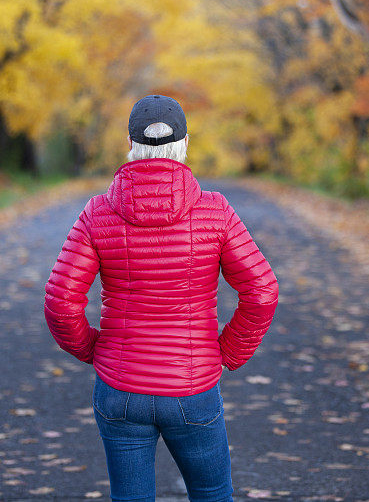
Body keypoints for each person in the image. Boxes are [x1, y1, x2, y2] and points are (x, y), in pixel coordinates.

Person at [43, 94, 279, 502]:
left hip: (120, 389)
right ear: (185, 145)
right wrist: (227, 352)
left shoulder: (97, 212)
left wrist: (94, 350)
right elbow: (262, 291)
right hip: (193, 386)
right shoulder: (215, 211)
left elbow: (61, 299)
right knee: (212, 493)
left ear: (130, 145)